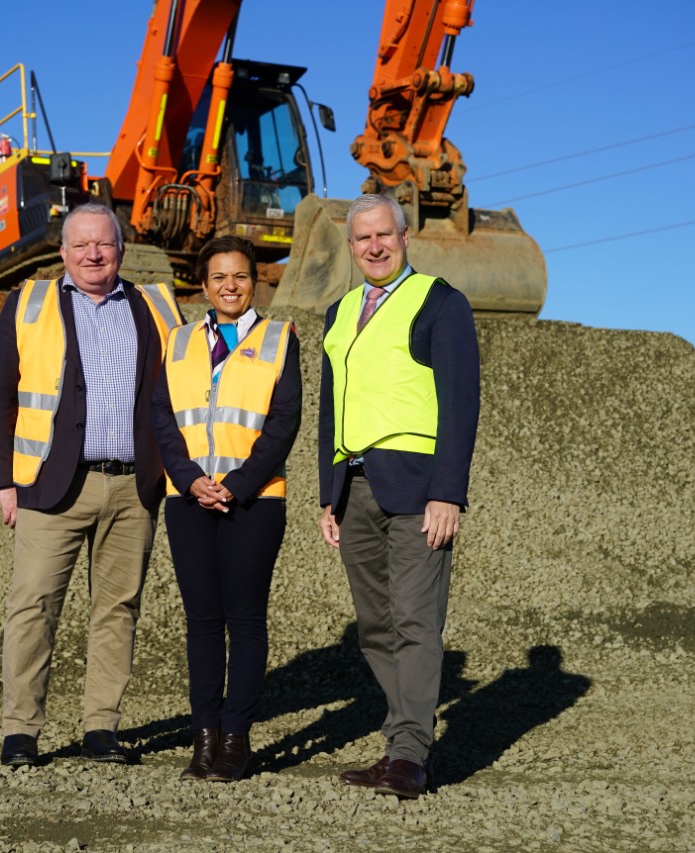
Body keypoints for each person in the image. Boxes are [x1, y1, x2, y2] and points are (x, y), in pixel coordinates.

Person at [0, 203, 183, 767]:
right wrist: (4, 482)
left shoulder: (158, 305)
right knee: (34, 605)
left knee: (118, 608)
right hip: (49, 484)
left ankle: (101, 727)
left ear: (121, 248)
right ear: (63, 253)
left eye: (105, 244)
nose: (94, 254)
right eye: (82, 245)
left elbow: (188, 390)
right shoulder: (30, 303)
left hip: (134, 486)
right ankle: (21, 730)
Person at [318, 194, 480, 799]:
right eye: (363, 239)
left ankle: (411, 754)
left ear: (405, 236)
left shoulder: (440, 302)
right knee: (376, 627)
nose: (374, 247)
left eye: (384, 235)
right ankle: (398, 744)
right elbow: (330, 408)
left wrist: (449, 493)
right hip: (352, 486)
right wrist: (325, 494)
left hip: (417, 490)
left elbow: (461, 404)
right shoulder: (339, 313)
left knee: (416, 620)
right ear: (351, 246)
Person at [152, 235, 301, 782]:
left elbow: (284, 422)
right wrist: (192, 481)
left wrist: (236, 485)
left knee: (245, 619)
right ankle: (204, 738)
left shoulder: (281, 338)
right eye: (218, 277)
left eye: (239, 276)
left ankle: (236, 740)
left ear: (256, 279)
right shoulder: (179, 341)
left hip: (255, 501)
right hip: (188, 500)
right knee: (202, 623)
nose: (230, 286)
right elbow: (163, 419)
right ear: (204, 284)